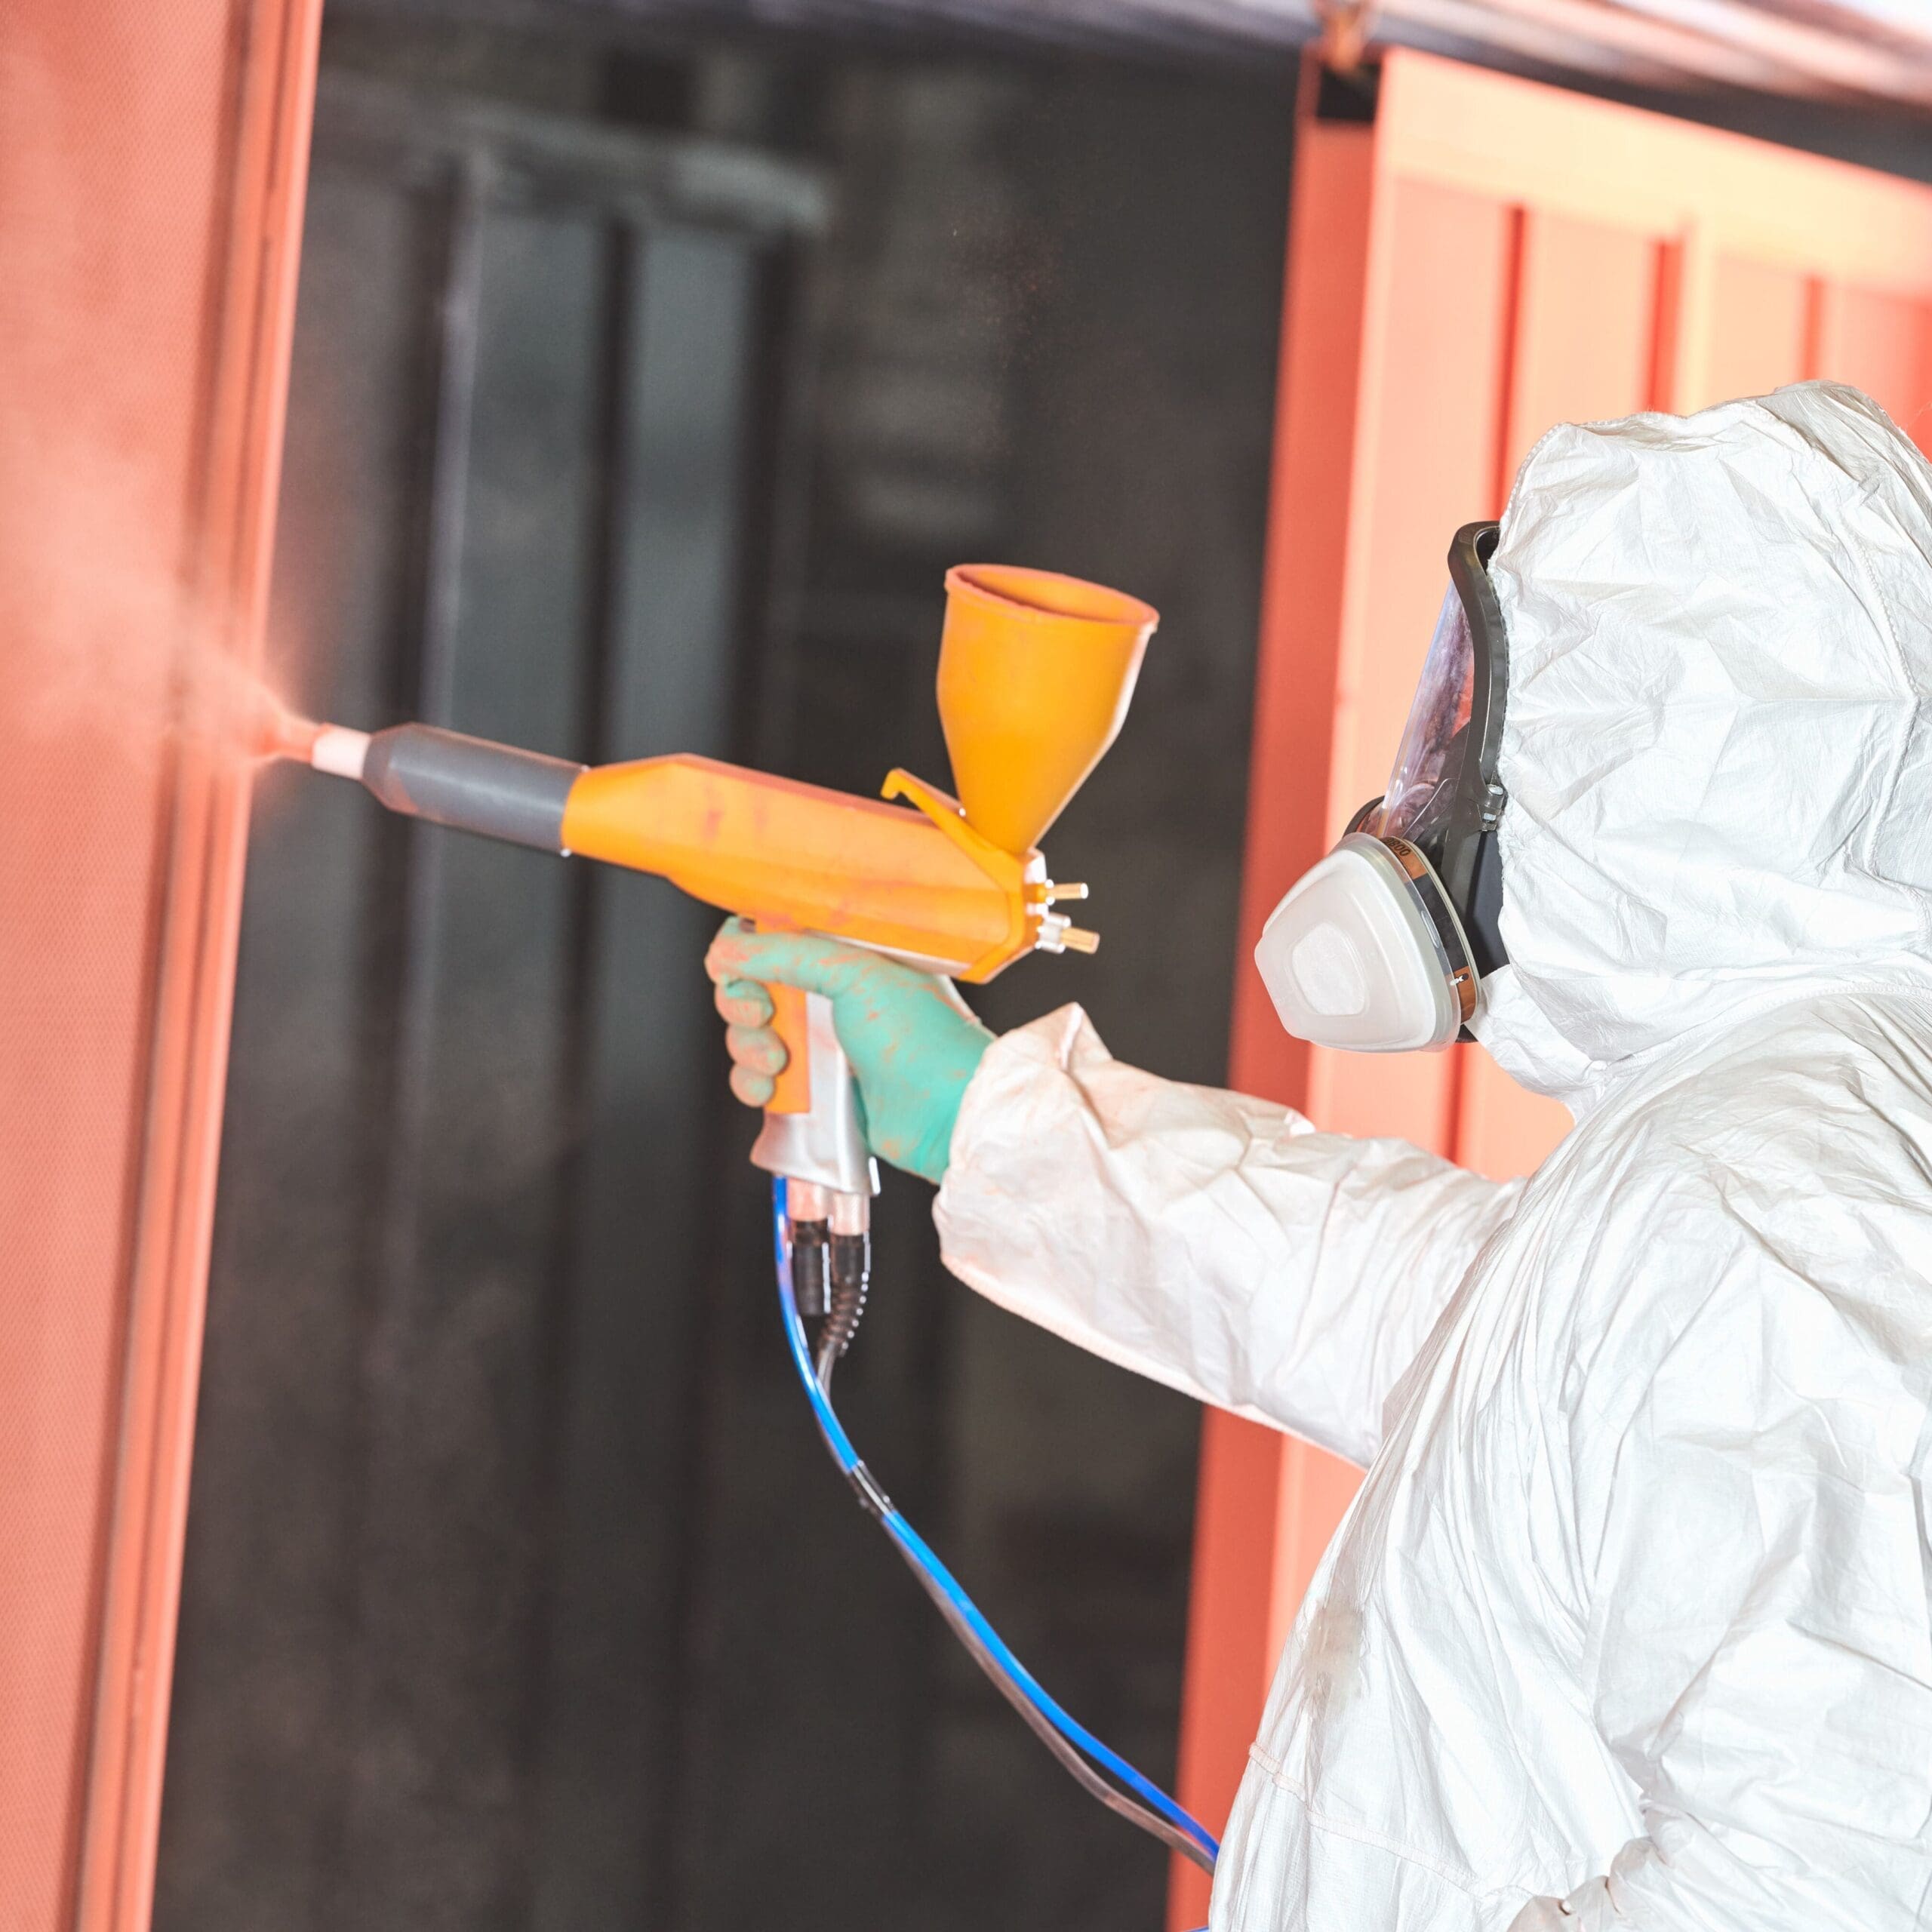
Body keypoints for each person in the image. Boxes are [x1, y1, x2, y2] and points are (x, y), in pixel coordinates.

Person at [706, 380, 1932, 1930]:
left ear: (1647, 757)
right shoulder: (1758, 1147)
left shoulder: (1768, 1199)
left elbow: (1839, 1867)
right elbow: (1431, 1316)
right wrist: (981, 1114)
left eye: (1474, 722)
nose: (1423, 785)